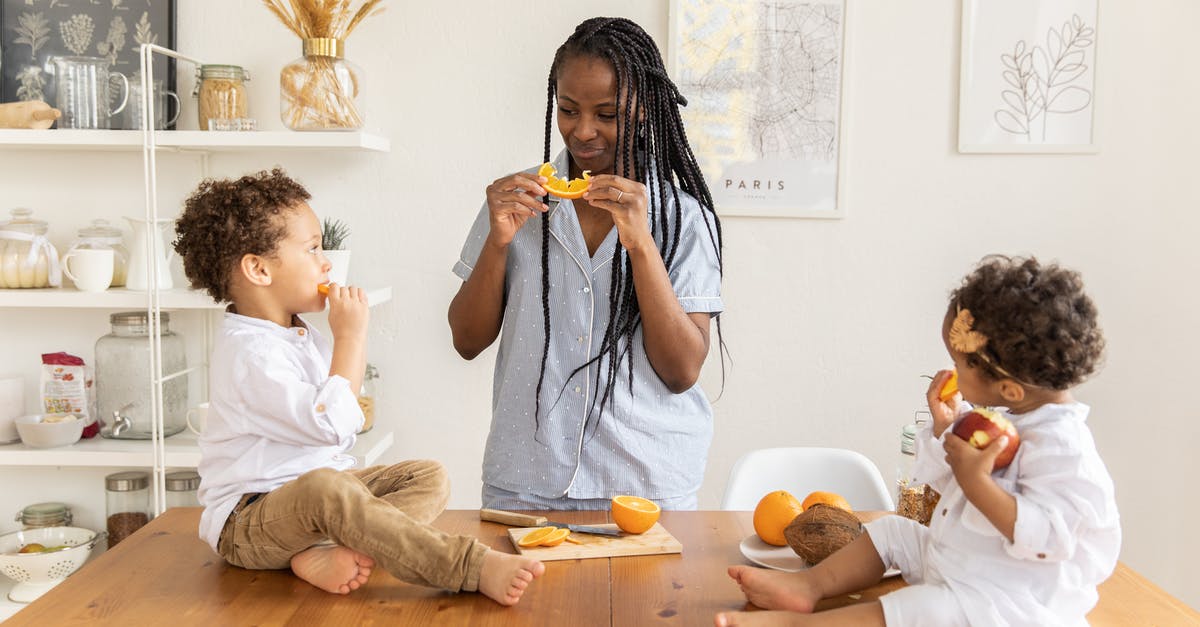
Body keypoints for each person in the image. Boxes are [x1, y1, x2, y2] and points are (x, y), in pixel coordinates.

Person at [174, 168, 543, 605]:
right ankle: (468, 566)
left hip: (315, 503)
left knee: (426, 476)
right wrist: (350, 338)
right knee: (325, 489)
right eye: (312, 250)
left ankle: (330, 548)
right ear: (258, 269)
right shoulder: (249, 354)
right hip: (250, 520)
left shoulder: (292, 331)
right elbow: (332, 425)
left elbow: (336, 422)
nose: (326, 262)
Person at [717, 255, 1120, 626]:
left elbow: (1049, 537)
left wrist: (976, 481)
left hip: (1007, 604)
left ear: (1010, 389)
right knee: (894, 532)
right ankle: (807, 588)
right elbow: (956, 493)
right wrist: (948, 429)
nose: (952, 373)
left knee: (923, 609)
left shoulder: (1064, 449)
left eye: (961, 364)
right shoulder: (1013, 418)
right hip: (966, 566)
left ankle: (798, 625)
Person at [448, 17, 725, 511]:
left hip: (643, 488)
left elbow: (682, 370)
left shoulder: (682, 216)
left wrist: (641, 245)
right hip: (524, 484)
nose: (582, 130)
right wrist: (497, 242)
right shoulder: (517, 199)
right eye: (568, 109)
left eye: (606, 113)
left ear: (642, 109)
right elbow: (467, 341)